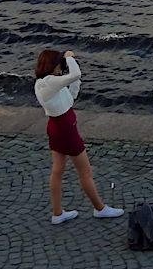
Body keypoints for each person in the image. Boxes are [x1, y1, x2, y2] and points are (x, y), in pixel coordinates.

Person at [33, 49, 124, 225]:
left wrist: (75, 80)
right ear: (53, 66)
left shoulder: (48, 84)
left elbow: (70, 98)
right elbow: (75, 74)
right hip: (66, 131)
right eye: (60, 63)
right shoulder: (49, 82)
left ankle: (58, 213)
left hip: (59, 128)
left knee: (58, 170)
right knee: (85, 171)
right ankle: (100, 208)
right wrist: (70, 58)